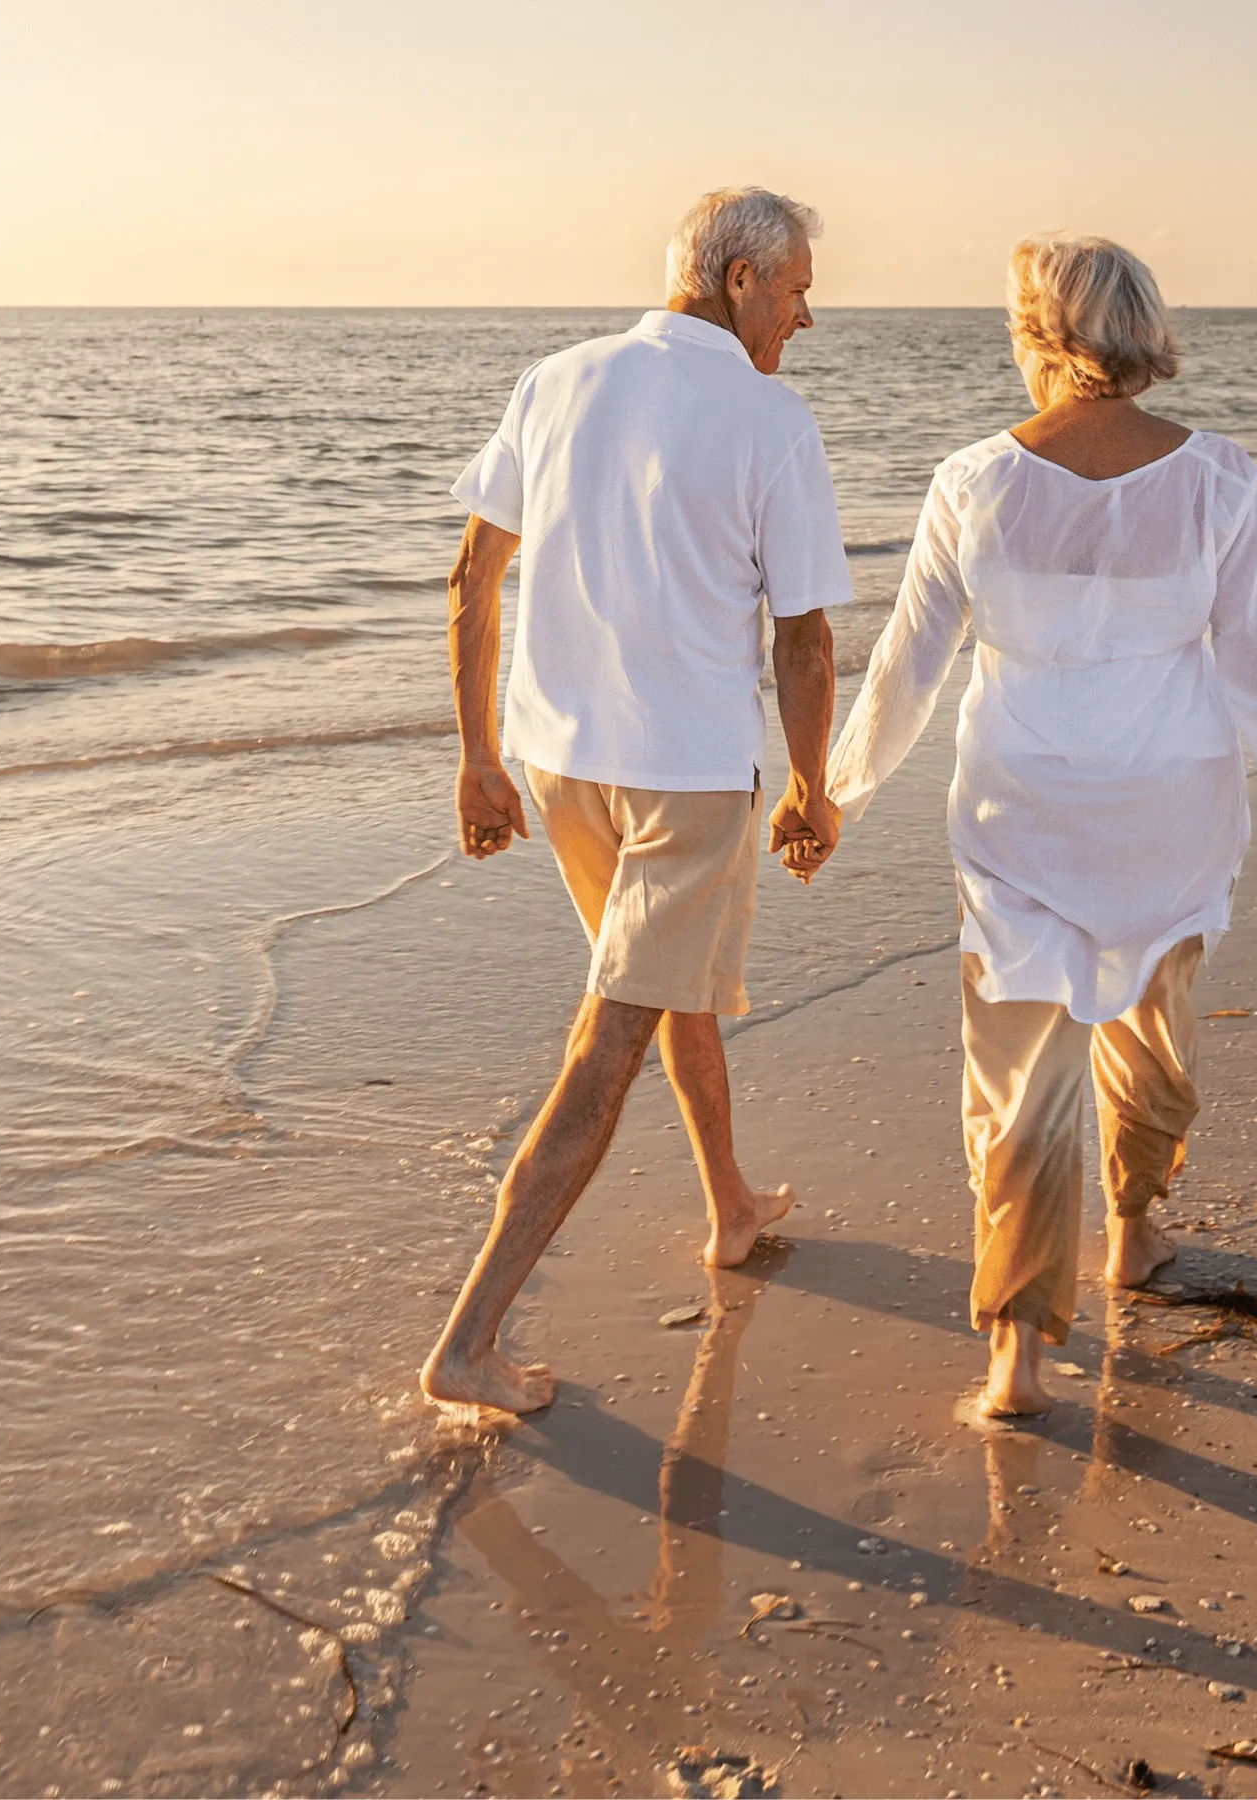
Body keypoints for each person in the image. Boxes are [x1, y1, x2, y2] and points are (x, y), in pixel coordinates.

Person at [815, 234, 1257, 1424]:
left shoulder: (973, 479)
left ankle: (1018, 1358)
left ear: (1038, 335)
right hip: (1171, 815)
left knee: (1021, 1080)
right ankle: (1130, 1234)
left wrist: (834, 794)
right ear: (1141, 334)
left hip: (1018, 811)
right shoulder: (1220, 478)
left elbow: (906, 674)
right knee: (1152, 1033)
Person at [416, 187, 849, 1416]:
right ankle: (469, 1340)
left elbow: (469, 577)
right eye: (800, 286)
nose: (808, 314)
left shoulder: (555, 379)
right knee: (611, 1036)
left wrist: (479, 758)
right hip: (686, 781)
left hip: (559, 768)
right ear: (739, 281)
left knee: (672, 988)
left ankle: (728, 1208)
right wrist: (812, 789)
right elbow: (805, 639)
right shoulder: (771, 419)